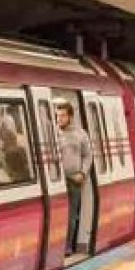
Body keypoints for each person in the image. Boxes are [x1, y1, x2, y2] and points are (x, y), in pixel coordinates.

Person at [56, 103, 92, 255]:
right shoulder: (53, 133)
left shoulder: (80, 134)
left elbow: (88, 155)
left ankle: (67, 246)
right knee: (59, 215)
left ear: (70, 116)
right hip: (57, 180)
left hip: (73, 179)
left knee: (71, 215)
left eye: (62, 115)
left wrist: (83, 173)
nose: (59, 119)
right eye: (57, 115)